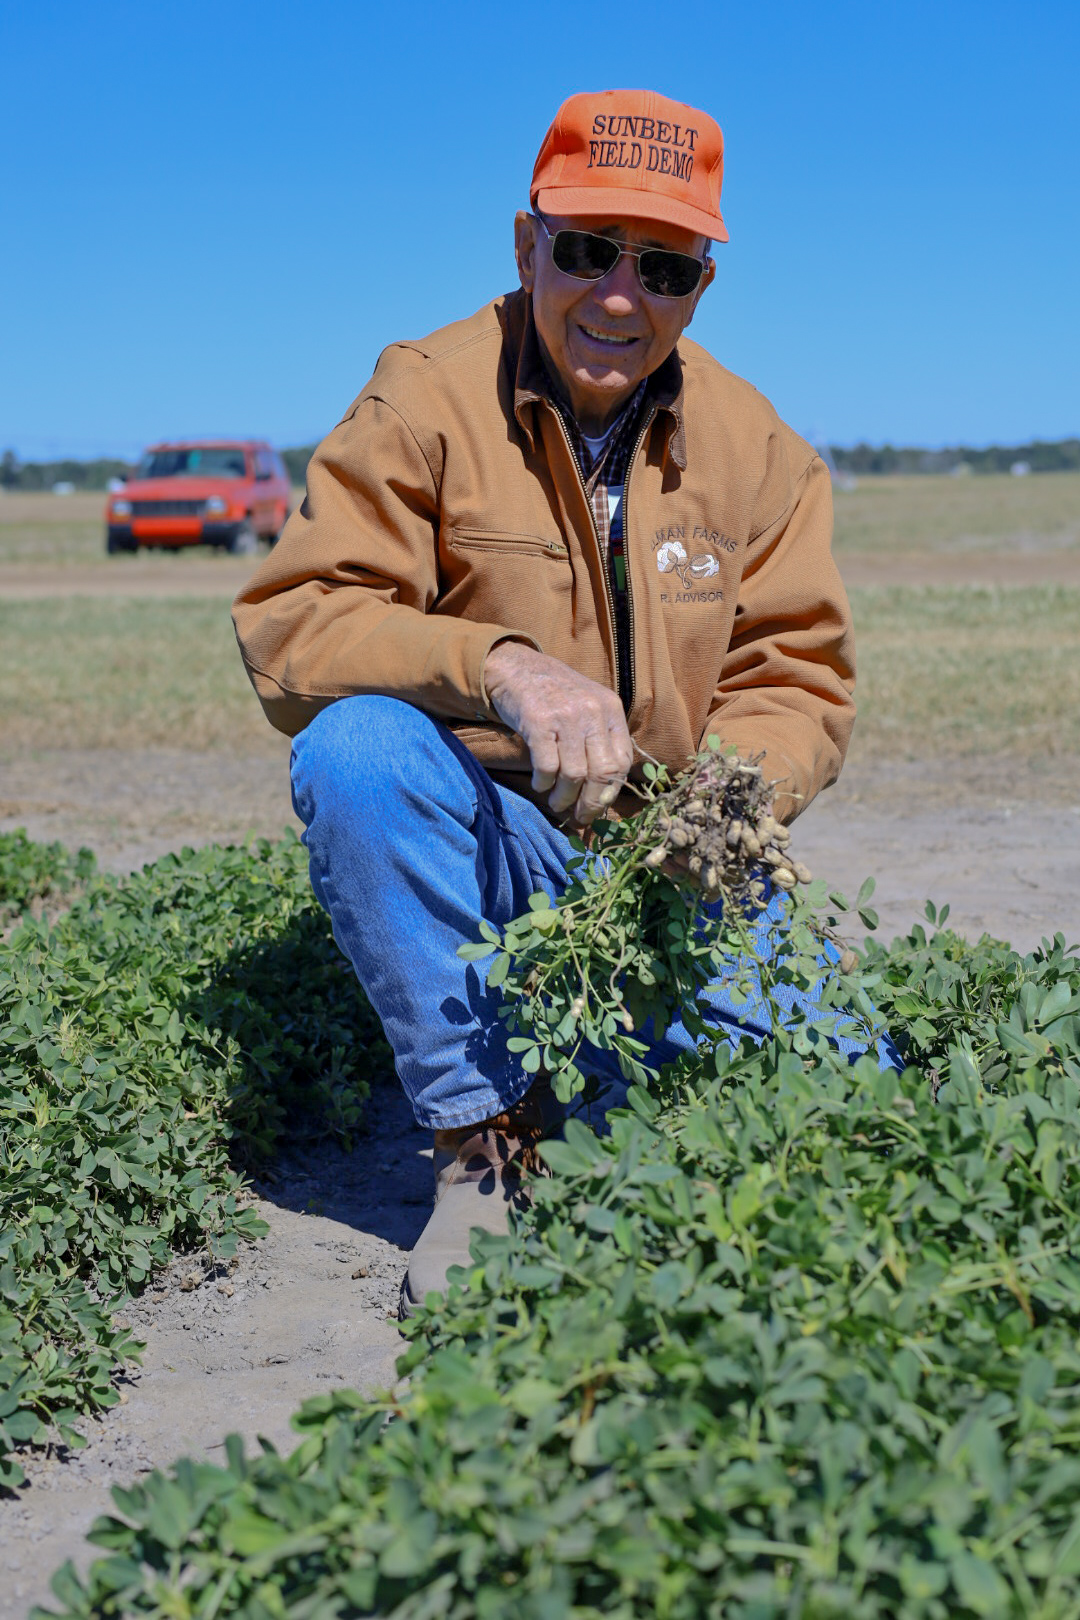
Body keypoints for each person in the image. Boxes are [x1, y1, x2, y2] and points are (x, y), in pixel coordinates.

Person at [233, 89, 865, 1317]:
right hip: (485, 844)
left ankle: (587, 1074)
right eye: (586, 251)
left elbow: (797, 675)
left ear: (701, 287)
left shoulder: (759, 449)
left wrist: (726, 807)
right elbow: (296, 622)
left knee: (856, 1091)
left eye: (666, 266)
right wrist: (502, 667)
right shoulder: (423, 396)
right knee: (359, 752)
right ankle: (483, 1149)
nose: (622, 295)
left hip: (657, 879)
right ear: (526, 247)